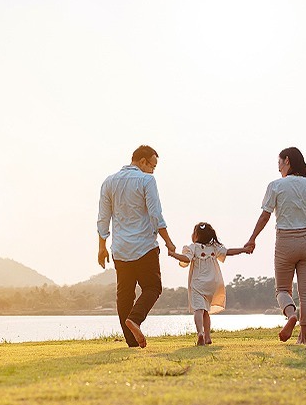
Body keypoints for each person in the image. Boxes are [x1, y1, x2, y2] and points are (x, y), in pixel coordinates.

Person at [244, 147, 306, 345]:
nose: (278, 167)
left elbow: (265, 216)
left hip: (285, 241)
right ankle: (303, 338)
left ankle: (291, 315)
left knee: (282, 289)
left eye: (279, 163)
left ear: (287, 161)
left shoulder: (276, 186)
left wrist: (252, 238)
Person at [97, 145, 177, 348]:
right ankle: (135, 319)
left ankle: (131, 342)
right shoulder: (146, 180)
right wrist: (168, 242)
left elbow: (103, 218)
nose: (152, 170)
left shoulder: (109, 182)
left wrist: (102, 246)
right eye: (153, 166)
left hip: (120, 249)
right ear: (142, 162)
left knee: (124, 294)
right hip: (144, 247)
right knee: (153, 287)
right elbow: (155, 214)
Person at [168, 222, 249, 346]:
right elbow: (229, 252)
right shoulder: (214, 248)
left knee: (198, 310)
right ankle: (208, 337)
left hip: (198, 283)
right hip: (213, 283)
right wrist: (243, 250)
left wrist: (174, 255)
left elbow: (186, 259)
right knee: (206, 311)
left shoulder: (192, 248)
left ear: (195, 235)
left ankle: (200, 332)